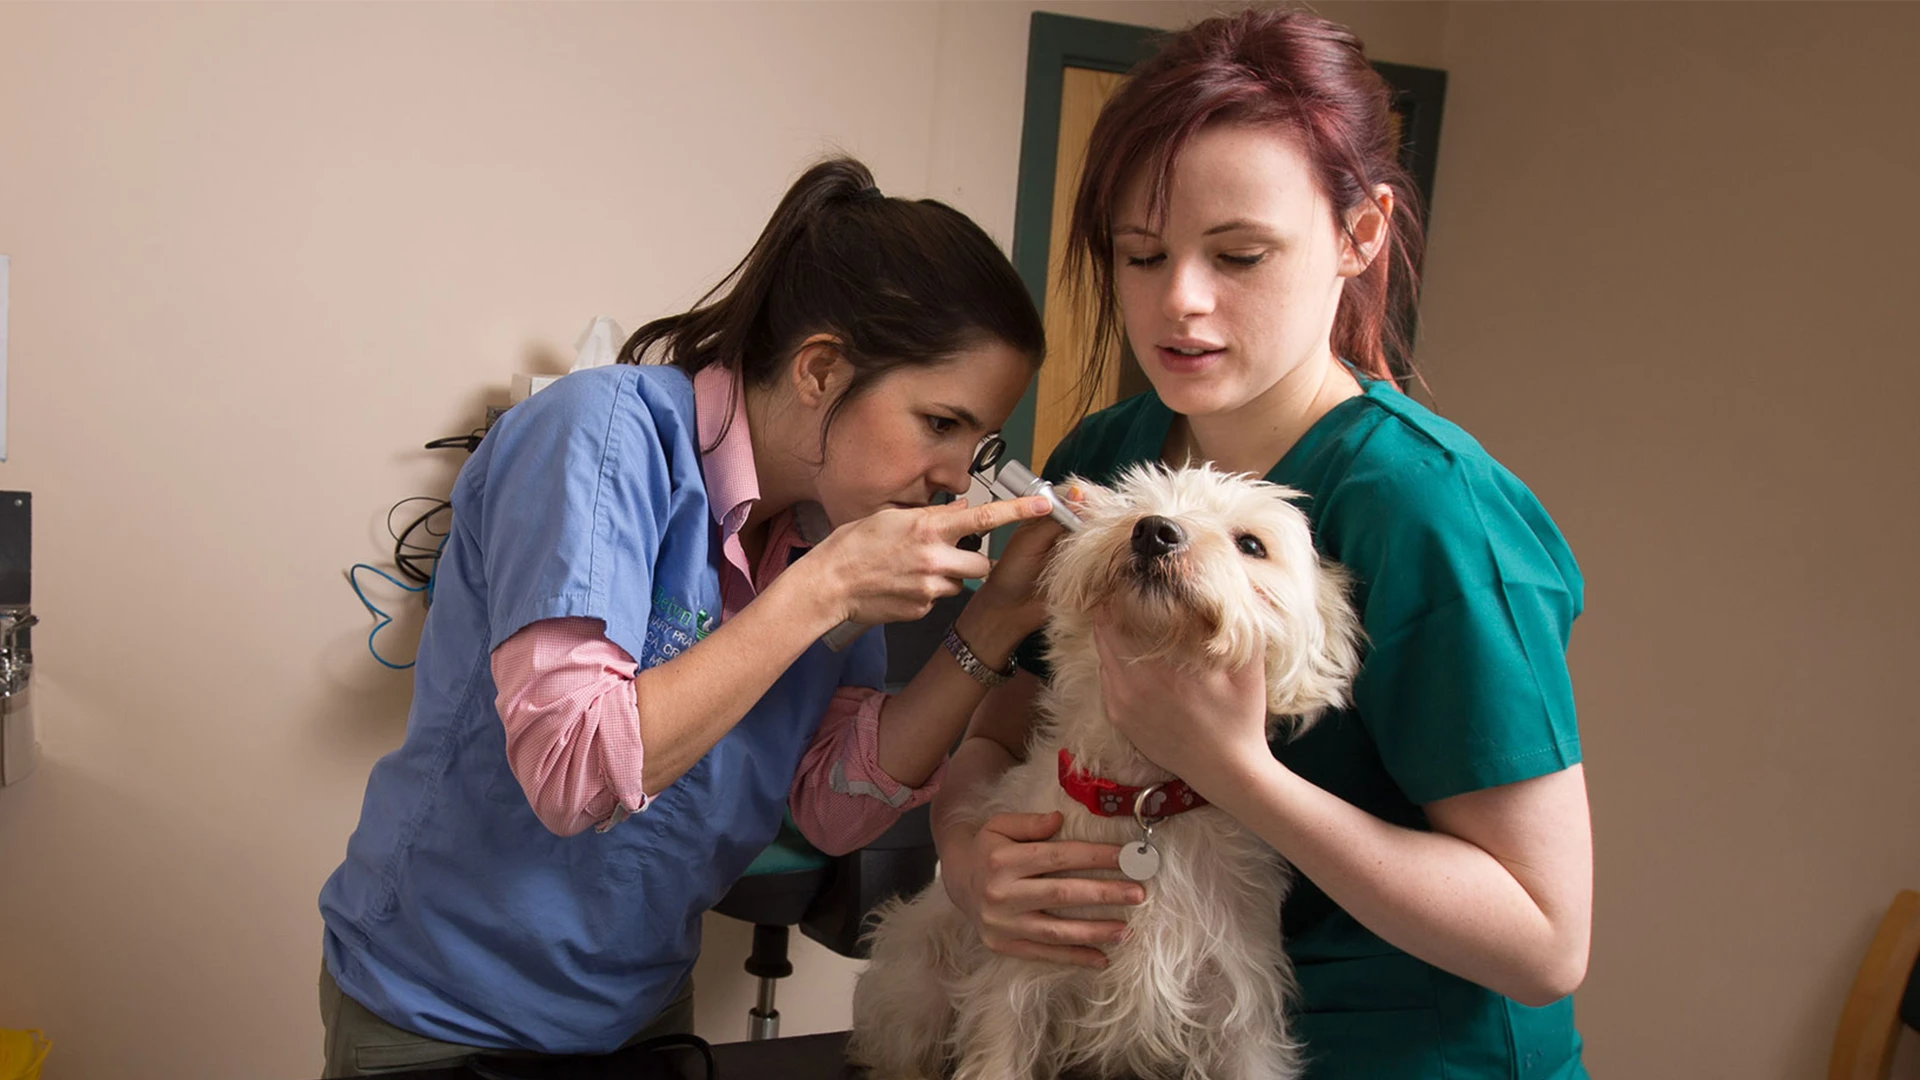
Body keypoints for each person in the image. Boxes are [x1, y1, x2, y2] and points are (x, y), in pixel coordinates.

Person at [930, 10, 1592, 1077]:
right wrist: (968, 852)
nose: (1179, 302)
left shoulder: (1431, 512)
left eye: (1238, 254)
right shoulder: (1117, 447)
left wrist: (1233, 770)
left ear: (1360, 234)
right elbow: (1008, 728)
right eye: (1141, 256)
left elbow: (1544, 941)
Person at [316, 157, 1065, 1076]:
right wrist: (820, 592)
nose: (955, 474)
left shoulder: (826, 534)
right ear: (822, 370)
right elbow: (577, 774)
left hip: (637, 1007)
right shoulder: (603, 440)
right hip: (443, 1008)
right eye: (938, 423)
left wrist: (991, 623)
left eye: (976, 442)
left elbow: (833, 807)